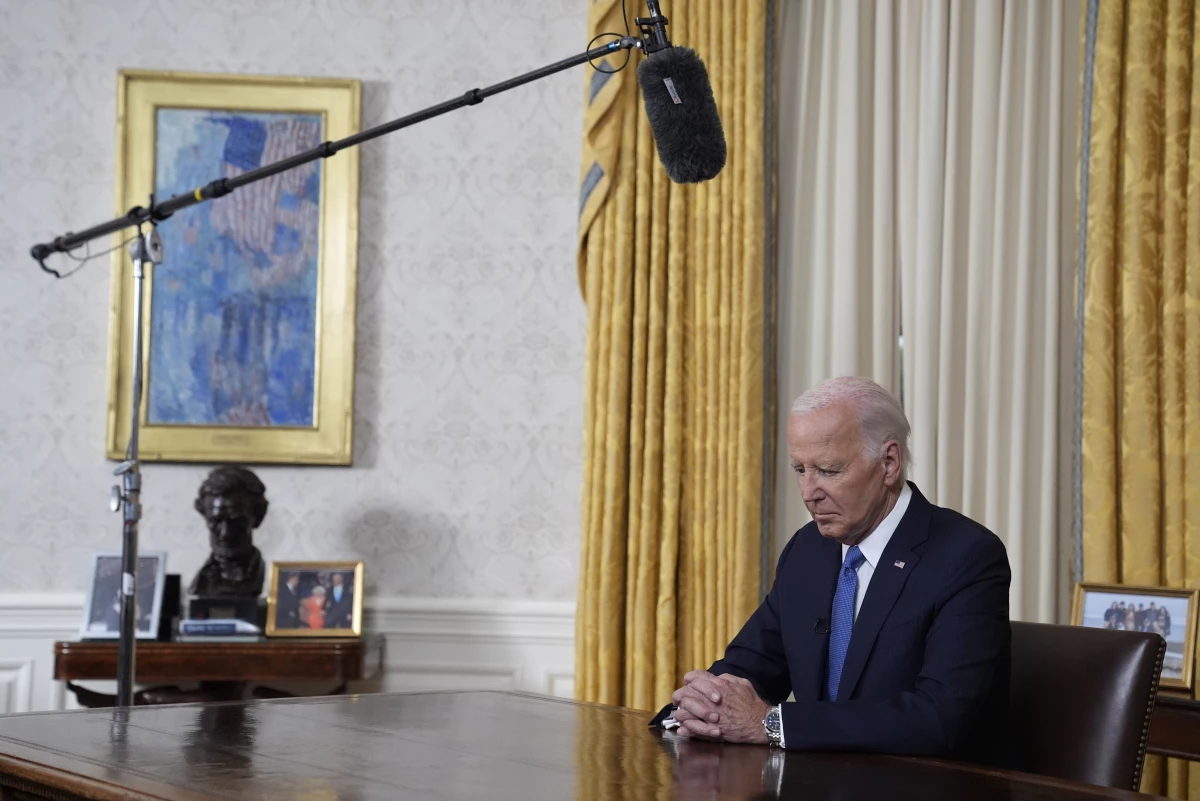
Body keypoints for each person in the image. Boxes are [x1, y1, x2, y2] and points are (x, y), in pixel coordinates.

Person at [655, 376, 1011, 764]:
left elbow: (938, 719)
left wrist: (772, 724)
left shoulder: (967, 555)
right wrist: (692, 711)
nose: (809, 491)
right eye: (800, 469)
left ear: (888, 462)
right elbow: (748, 669)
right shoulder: (809, 549)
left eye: (827, 470)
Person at [189, 466, 269, 598]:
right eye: (215, 521)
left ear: (258, 517)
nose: (225, 533)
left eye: (236, 522)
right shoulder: (202, 581)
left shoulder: (269, 578)